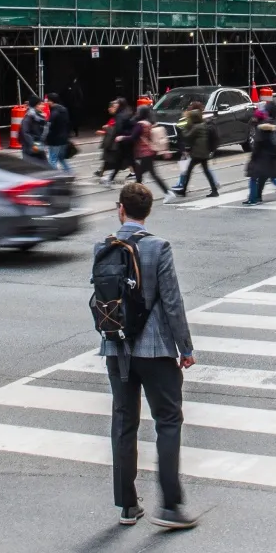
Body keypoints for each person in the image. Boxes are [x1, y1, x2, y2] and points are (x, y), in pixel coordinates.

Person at [96, 183, 198, 530]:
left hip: (117, 348)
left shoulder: (104, 247)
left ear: (120, 208)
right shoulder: (158, 247)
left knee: (123, 422)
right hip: (154, 349)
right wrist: (185, 347)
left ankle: (127, 505)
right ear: (148, 211)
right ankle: (169, 505)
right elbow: (171, 301)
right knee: (168, 421)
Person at [243, 108, 276, 204]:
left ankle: (253, 198)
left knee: (254, 178)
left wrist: (253, 158)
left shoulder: (260, 129)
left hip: (261, 160)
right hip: (269, 158)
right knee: (273, 178)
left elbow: (257, 145)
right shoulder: (269, 127)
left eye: (255, 117)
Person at [171, 101, 220, 198]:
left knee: (189, 171)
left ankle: (184, 190)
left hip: (198, 153)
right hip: (203, 152)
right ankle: (214, 190)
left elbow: (186, 136)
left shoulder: (197, 127)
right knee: (203, 171)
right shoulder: (202, 125)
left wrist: (183, 129)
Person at [129, 104, 168, 194]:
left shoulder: (141, 124)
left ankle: (168, 192)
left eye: (138, 111)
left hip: (145, 153)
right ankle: (137, 194)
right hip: (149, 152)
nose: (136, 112)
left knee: (150, 175)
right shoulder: (150, 122)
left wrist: (122, 138)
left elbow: (132, 137)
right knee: (140, 175)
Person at [41, 96, 74, 173]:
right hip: (64, 139)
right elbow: (68, 124)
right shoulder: (64, 110)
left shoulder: (54, 112)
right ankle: (70, 172)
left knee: (52, 159)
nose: (47, 102)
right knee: (61, 158)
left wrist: (43, 138)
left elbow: (48, 127)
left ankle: (54, 176)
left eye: (48, 101)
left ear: (52, 101)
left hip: (55, 140)